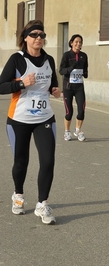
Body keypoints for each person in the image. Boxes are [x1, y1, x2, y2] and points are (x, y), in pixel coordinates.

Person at [0, 19, 61, 224]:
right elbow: (1, 86)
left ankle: (42, 204)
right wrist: (20, 83)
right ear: (25, 38)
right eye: (34, 35)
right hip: (19, 119)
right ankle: (18, 194)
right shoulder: (16, 60)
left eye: (42, 35)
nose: (38, 38)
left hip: (44, 118)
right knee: (21, 162)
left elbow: (53, 83)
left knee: (48, 160)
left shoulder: (49, 60)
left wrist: (55, 90)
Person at [59, 34, 89, 141]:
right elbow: (61, 70)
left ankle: (78, 130)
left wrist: (85, 73)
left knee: (81, 110)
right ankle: (67, 132)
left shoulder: (84, 56)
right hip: (68, 87)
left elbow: (85, 69)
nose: (78, 44)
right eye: (76, 42)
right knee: (69, 112)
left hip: (79, 87)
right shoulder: (66, 55)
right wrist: (71, 68)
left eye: (80, 42)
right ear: (71, 43)